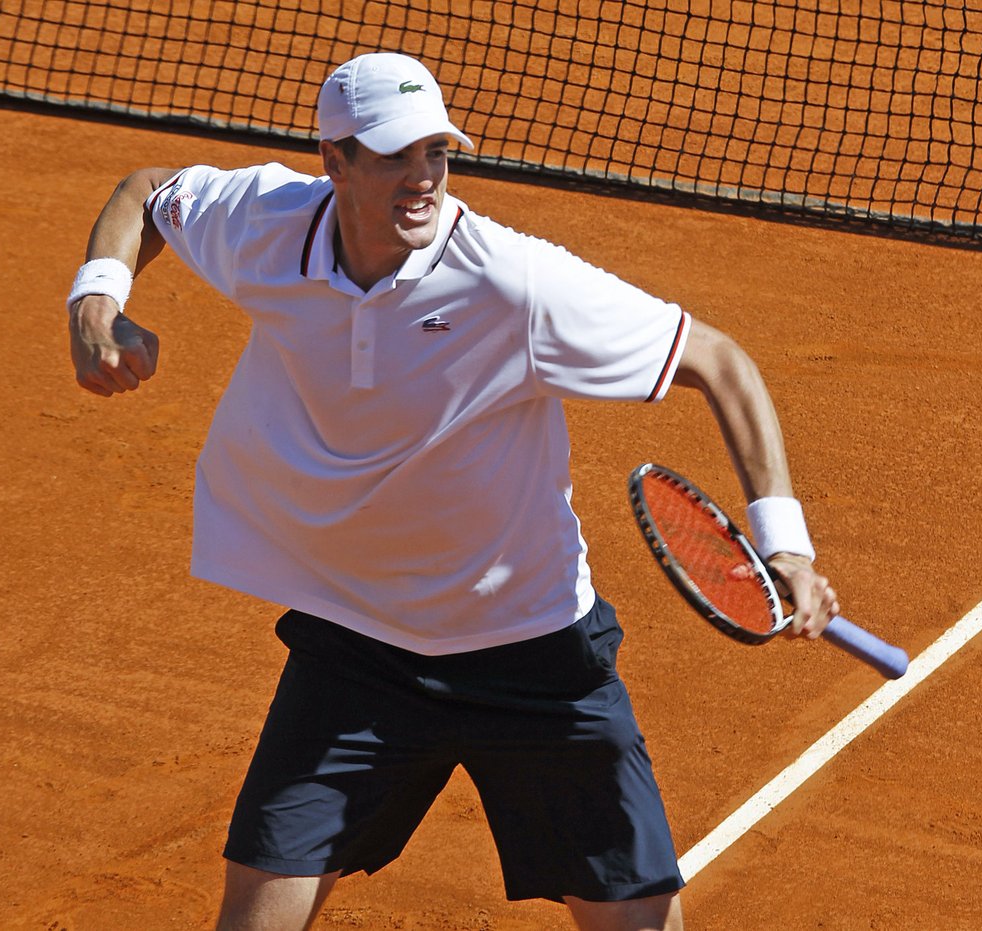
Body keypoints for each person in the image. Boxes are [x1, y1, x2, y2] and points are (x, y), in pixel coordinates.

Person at [67, 52, 839, 931]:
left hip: (534, 654)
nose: (423, 176)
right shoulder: (266, 222)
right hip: (358, 644)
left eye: (437, 150)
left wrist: (785, 543)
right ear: (336, 161)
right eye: (396, 154)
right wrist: (96, 301)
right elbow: (145, 192)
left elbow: (722, 363)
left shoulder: (515, 283)